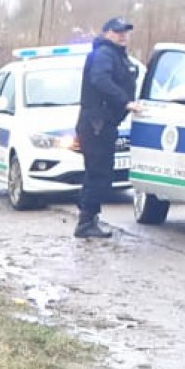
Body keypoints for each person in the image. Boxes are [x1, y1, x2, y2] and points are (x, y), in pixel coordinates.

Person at [77, 17, 140, 239]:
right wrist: (125, 102)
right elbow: (100, 80)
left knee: (99, 173)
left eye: (125, 32)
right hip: (97, 124)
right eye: (118, 31)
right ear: (107, 33)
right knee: (98, 174)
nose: (123, 35)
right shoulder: (104, 54)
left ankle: (89, 218)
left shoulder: (117, 55)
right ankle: (86, 222)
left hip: (103, 123)